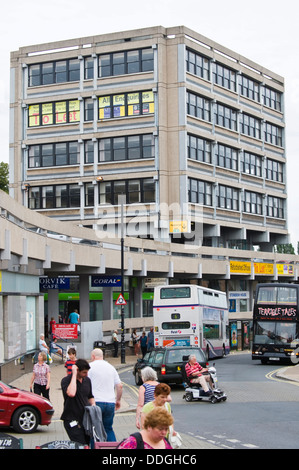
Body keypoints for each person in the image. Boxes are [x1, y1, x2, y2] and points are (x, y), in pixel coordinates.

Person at [88, 348, 123, 441]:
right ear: (102, 356)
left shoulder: (89, 367)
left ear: (93, 356)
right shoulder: (111, 367)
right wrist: (118, 400)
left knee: (94, 430)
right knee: (108, 428)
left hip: (95, 402)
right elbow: (120, 386)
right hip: (110, 402)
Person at [61, 359, 95, 445]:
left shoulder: (87, 380)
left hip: (85, 419)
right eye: (84, 372)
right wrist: (74, 374)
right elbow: (71, 393)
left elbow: (90, 396)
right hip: (72, 419)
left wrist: (93, 406)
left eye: (87, 372)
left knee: (87, 444)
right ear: (77, 371)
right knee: (79, 444)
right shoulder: (66, 381)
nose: (86, 374)